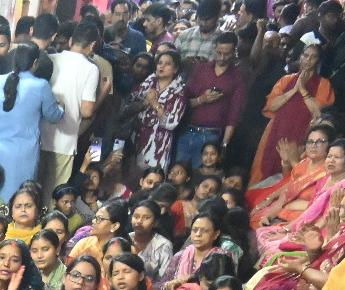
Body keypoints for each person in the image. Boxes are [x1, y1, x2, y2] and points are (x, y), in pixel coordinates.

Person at [0, 45, 65, 203]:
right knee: (16, 203)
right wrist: (61, 108)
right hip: (21, 156)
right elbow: (54, 116)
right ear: (35, 63)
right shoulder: (41, 86)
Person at [251, 42, 333, 185]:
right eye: (306, 55)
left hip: (302, 135)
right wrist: (294, 90)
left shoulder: (323, 84)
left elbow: (319, 112)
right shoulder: (286, 80)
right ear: (300, 57)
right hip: (276, 132)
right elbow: (272, 106)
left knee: (292, 172)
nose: (308, 60)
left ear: (318, 60)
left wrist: (303, 90)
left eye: (313, 57)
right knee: (263, 169)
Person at [42, 21, 102, 194]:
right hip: (65, 140)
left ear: (70, 41)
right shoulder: (91, 69)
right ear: (92, 46)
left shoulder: (51, 59)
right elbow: (87, 111)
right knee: (55, 193)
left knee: (36, 189)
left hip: (40, 134)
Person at [177, 34, 245, 168]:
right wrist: (201, 100)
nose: (222, 58)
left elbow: (234, 114)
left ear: (233, 52)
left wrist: (224, 144)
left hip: (212, 135)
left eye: (226, 54)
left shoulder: (237, 76)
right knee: (177, 170)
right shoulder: (201, 70)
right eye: (219, 53)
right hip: (188, 131)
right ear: (214, 49)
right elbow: (183, 101)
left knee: (200, 173)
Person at [134, 49, 187, 170]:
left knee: (152, 176)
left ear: (175, 69)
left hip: (158, 144)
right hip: (136, 137)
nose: (161, 66)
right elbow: (129, 105)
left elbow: (171, 123)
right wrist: (143, 104)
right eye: (159, 63)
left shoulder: (179, 93)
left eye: (167, 64)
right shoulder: (148, 83)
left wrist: (155, 104)